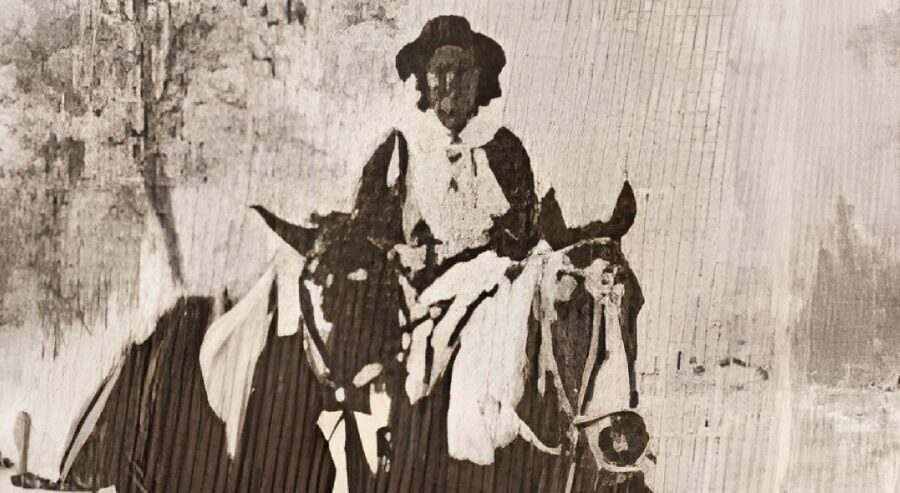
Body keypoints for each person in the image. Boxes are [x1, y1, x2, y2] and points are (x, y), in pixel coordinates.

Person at [59, 15, 649, 493]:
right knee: (399, 374)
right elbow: (370, 227)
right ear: (424, 83)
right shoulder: (400, 151)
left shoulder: (505, 150)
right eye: (440, 74)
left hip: (496, 284)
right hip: (420, 293)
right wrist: (407, 253)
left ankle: (574, 447)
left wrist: (505, 254)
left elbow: (524, 228)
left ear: (480, 83)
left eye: (462, 74)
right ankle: (393, 470)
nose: (451, 87)